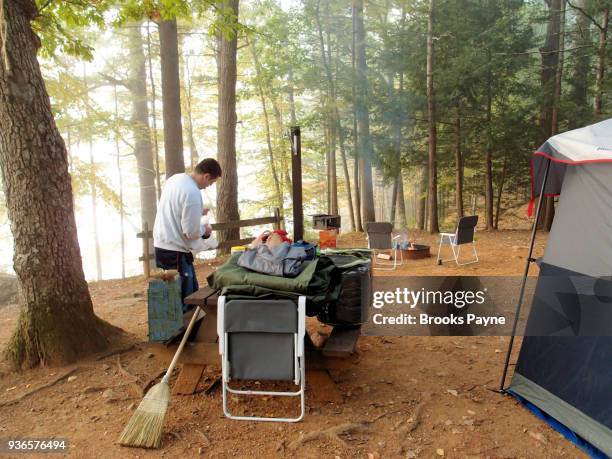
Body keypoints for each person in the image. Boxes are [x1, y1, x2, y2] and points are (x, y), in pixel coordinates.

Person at [153, 158, 222, 310]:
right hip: (175, 251)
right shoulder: (192, 192)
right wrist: (205, 231)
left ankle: (169, 330)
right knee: (187, 299)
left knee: (170, 295)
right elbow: (191, 232)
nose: (208, 186)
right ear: (206, 176)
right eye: (211, 183)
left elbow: (175, 208)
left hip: (161, 245)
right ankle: (183, 333)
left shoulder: (175, 179)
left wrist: (197, 211)